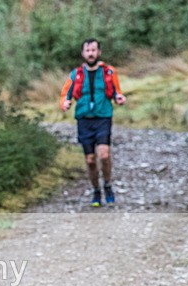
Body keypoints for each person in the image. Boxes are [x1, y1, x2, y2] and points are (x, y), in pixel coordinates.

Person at [60, 38, 127, 207]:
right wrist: (65, 103)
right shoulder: (76, 74)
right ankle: (96, 190)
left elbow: (116, 91)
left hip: (103, 117)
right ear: (83, 53)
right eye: (88, 50)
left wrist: (119, 98)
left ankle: (108, 185)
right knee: (90, 159)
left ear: (99, 52)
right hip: (84, 119)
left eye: (93, 50)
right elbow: (65, 94)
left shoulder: (109, 72)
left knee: (104, 155)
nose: (91, 53)